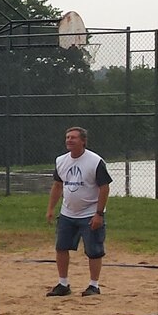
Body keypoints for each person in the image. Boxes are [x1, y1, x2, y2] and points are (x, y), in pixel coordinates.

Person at [47, 126, 112, 296]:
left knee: (93, 250)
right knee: (61, 247)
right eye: (67, 137)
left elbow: (104, 188)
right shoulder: (61, 161)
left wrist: (99, 213)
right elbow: (58, 185)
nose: (69, 140)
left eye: (73, 137)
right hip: (68, 213)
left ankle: (94, 285)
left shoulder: (95, 161)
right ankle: (63, 284)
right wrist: (51, 208)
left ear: (83, 141)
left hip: (90, 213)